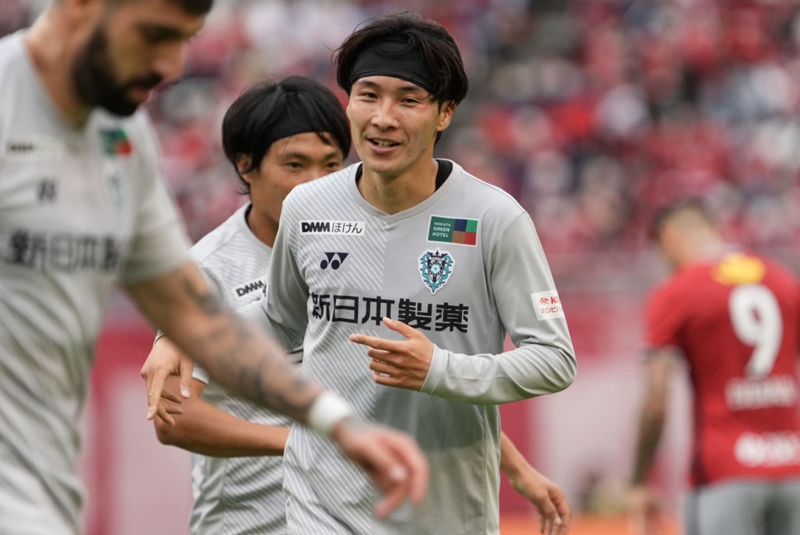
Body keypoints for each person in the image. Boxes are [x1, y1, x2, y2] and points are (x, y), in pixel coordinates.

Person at [0, 1, 429, 533]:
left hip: (43, 498)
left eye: (183, 40)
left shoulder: (122, 139)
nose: (171, 67)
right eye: (154, 34)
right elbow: (179, 394)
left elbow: (194, 316)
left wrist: (336, 426)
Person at [143, 10, 576, 535]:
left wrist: (440, 371)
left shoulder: (493, 219)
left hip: (443, 510)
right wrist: (182, 334)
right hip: (322, 508)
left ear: (445, 113)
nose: (383, 117)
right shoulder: (309, 208)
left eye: (408, 100)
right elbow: (280, 321)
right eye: (368, 95)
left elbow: (554, 359)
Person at [628, 199, 800, 535]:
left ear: (671, 237)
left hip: (724, 474)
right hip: (792, 470)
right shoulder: (784, 280)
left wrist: (638, 482)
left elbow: (656, 402)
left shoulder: (677, 291)